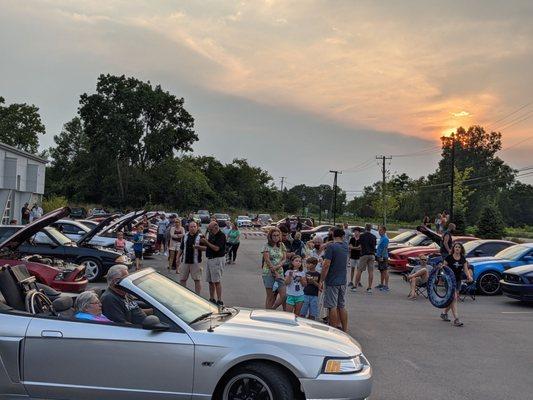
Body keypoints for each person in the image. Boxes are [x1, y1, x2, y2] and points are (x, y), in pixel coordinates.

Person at [320, 227, 349, 331]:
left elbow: (326, 265)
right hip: (343, 280)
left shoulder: (331, 247)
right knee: (341, 305)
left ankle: (333, 330)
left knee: (332, 306)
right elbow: (339, 241)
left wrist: (321, 280)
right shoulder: (345, 246)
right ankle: (345, 329)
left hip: (332, 280)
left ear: (333, 235)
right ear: (343, 236)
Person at [440, 242, 473, 327]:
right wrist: (442, 275)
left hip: (458, 280)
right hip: (449, 280)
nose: (457, 248)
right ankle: (456, 319)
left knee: (452, 299)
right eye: (456, 247)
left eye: (459, 247)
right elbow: (443, 268)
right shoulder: (449, 257)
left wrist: (469, 276)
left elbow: (465, 269)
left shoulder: (463, 259)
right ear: (453, 249)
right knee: (454, 298)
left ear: (461, 249)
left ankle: (444, 313)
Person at [201, 221, 227, 306]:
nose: (209, 231)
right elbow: (208, 248)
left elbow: (216, 248)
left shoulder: (221, 236)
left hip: (217, 259)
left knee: (216, 281)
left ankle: (219, 300)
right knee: (210, 281)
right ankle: (212, 298)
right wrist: (199, 247)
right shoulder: (211, 235)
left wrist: (206, 242)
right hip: (210, 259)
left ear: (215, 227)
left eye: (210, 229)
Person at [261, 227, 287, 309]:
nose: (276, 237)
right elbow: (267, 260)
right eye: (274, 235)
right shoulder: (266, 246)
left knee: (284, 295)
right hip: (268, 273)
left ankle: (273, 308)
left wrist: (278, 266)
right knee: (271, 296)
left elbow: (284, 258)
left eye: (277, 235)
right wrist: (274, 271)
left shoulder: (282, 245)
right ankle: (267, 313)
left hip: (280, 272)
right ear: (270, 236)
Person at [178, 221, 204, 295]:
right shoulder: (185, 236)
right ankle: (182, 294)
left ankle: (198, 296)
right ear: (188, 228)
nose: (193, 228)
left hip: (196, 262)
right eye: (191, 227)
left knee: (197, 279)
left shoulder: (201, 236)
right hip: (185, 261)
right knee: (182, 279)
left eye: (194, 226)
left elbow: (206, 248)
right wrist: (177, 258)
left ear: (197, 227)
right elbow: (181, 248)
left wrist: (198, 247)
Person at [352, 224, 376, 294]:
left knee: (359, 270)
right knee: (370, 271)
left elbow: (360, 245)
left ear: (365, 228)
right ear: (371, 229)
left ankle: (355, 286)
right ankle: (369, 288)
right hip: (372, 255)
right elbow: (374, 246)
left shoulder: (362, 236)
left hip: (364, 254)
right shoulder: (373, 237)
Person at [376, 226, 390, 292]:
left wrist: (381, 256)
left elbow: (385, 248)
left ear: (384, 231)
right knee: (381, 271)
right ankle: (381, 284)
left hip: (383, 257)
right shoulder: (381, 238)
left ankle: (386, 286)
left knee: (385, 270)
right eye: (379, 230)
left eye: (380, 230)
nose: (379, 232)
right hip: (379, 256)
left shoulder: (385, 239)